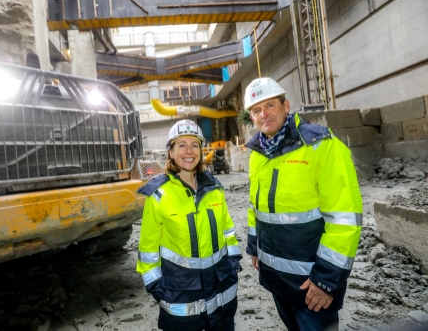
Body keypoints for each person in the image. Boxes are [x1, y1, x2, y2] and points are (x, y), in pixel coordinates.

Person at [243, 78, 362, 331]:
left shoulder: (321, 146)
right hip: (278, 280)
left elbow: (344, 219)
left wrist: (326, 280)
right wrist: (255, 246)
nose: (264, 114)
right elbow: (256, 207)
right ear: (251, 117)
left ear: (286, 105)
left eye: (270, 105)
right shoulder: (257, 154)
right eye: (256, 110)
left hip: (313, 285)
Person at [136, 119, 242, 331]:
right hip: (181, 298)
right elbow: (148, 252)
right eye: (181, 145)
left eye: (194, 145)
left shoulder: (214, 188)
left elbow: (227, 231)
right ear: (171, 152)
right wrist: (159, 289)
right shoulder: (158, 196)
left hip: (221, 292)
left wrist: (232, 263)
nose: (189, 151)